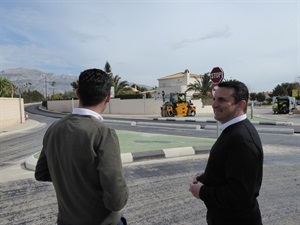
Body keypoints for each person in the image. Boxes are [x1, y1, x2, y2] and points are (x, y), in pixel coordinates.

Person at [35, 68, 129, 225]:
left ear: (78, 93)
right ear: (108, 97)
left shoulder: (54, 129)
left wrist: (71, 181)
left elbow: (41, 173)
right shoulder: (103, 133)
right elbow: (117, 200)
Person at [189, 80, 264, 225]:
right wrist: (208, 177)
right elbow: (233, 173)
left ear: (240, 105)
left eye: (222, 100)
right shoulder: (234, 132)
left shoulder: (241, 140)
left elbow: (239, 195)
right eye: (214, 99)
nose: (214, 104)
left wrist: (202, 192)